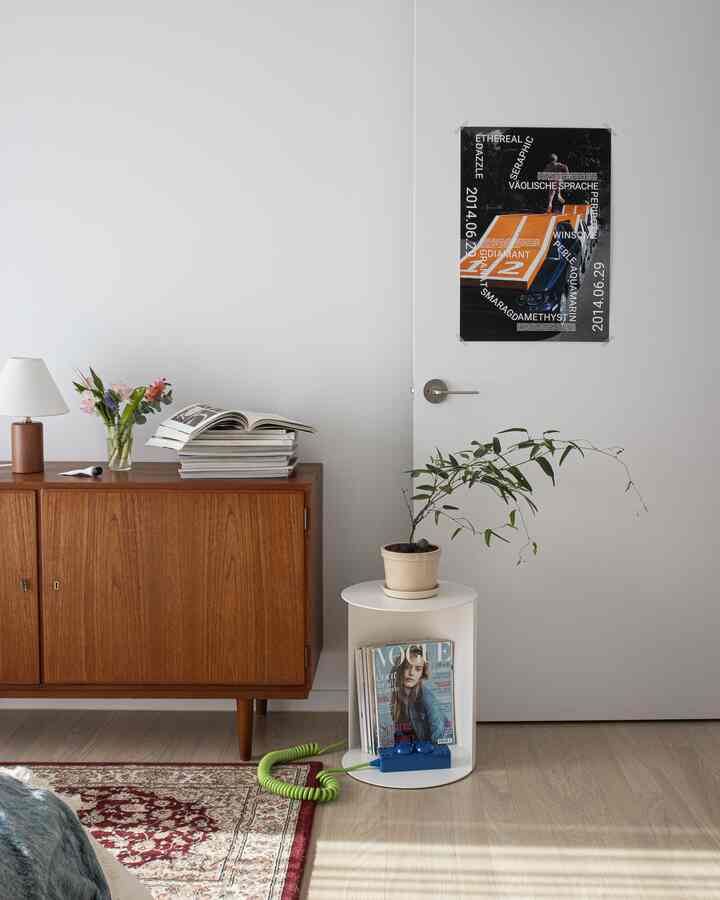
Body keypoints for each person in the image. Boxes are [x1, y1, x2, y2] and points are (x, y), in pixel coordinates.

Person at [389, 645, 446, 744]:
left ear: (422, 673)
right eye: (407, 667)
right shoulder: (397, 695)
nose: (411, 673)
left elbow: (439, 733)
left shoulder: (427, 698)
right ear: (401, 669)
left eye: (418, 669)